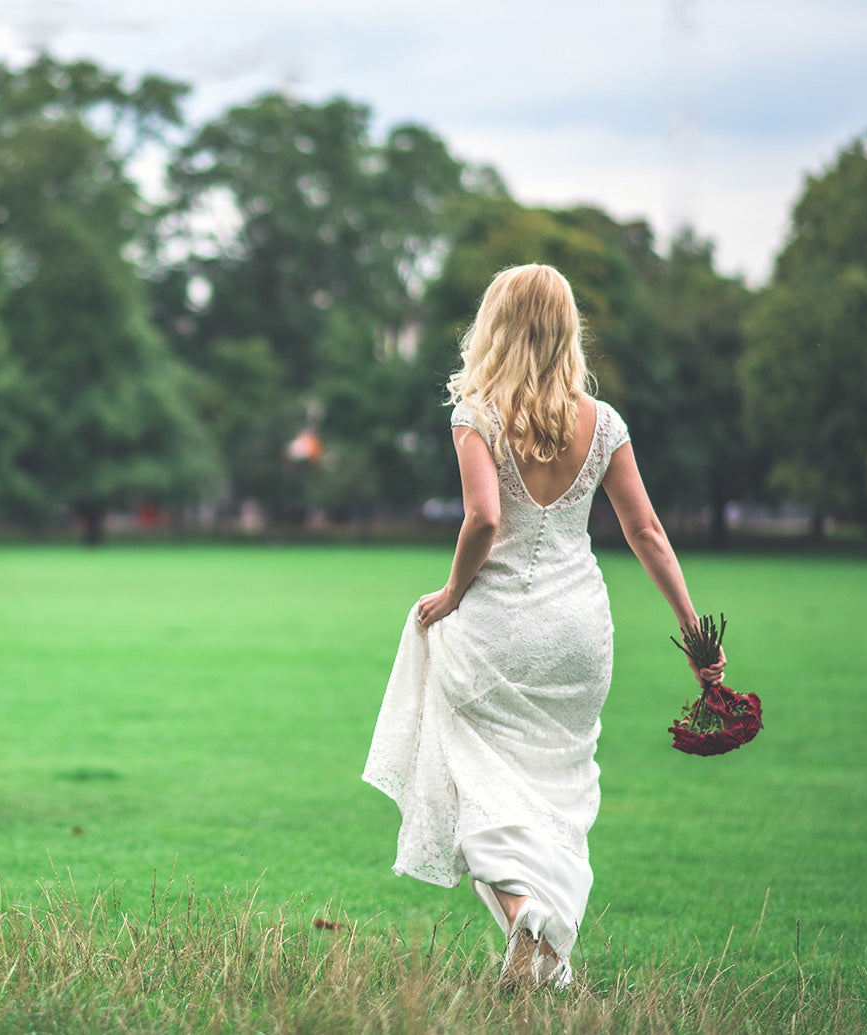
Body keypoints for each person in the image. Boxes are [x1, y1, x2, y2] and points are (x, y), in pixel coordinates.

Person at [362, 264, 724, 990]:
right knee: (557, 791)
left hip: (497, 631)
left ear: (495, 323)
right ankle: (544, 956)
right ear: (567, 331)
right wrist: (696, 638)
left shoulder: (477, 413)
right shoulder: (604, 422)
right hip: (578, 636)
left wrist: (451, 591)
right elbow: (647, 530)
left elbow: (485, 519)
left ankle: (527, 910)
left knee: (470, 784)